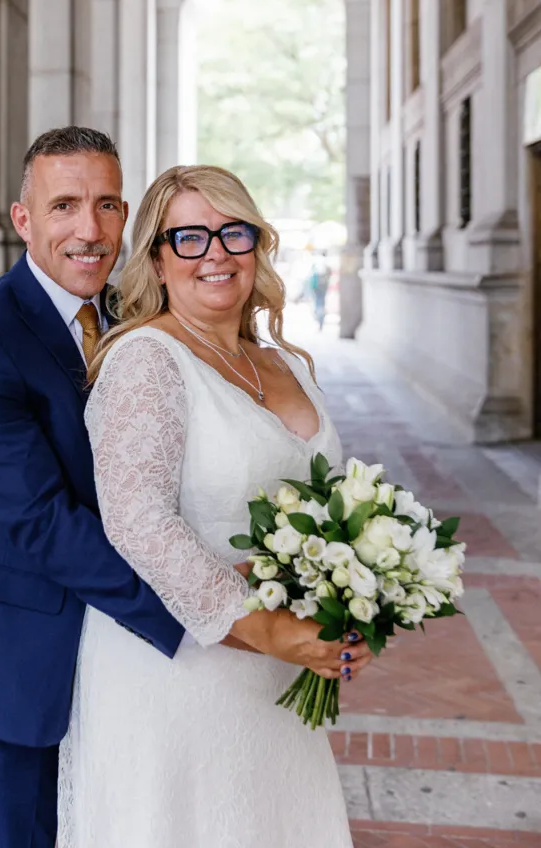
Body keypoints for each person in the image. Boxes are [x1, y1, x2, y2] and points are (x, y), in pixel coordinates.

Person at [58, 164, 371, 848]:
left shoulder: (289, 361)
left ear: (257, 244)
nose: (217, 253)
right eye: (190, 238)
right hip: (179, 672)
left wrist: (354, 603)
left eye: (233, 231)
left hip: (277, 672)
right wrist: (266, 628)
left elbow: (334, 506)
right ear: (158, 259)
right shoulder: (146, 358)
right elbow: (139, 522)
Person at [0, 127, 188, 848]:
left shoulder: (135, 322)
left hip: (118, 665)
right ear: (23, 219)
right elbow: (41, 519)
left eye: (106, 205)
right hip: (18, 663)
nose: (90, 230)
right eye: (64, 205)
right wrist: (192, 614)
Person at [307, 252, 332, 330]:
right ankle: (321, 319)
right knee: (321, 303)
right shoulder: (326, 263)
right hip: (323, 287)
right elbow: (329, 274)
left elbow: (310, 275)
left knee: (317, 303)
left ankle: (319, 317)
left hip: (315, 287)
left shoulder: (315, 263)